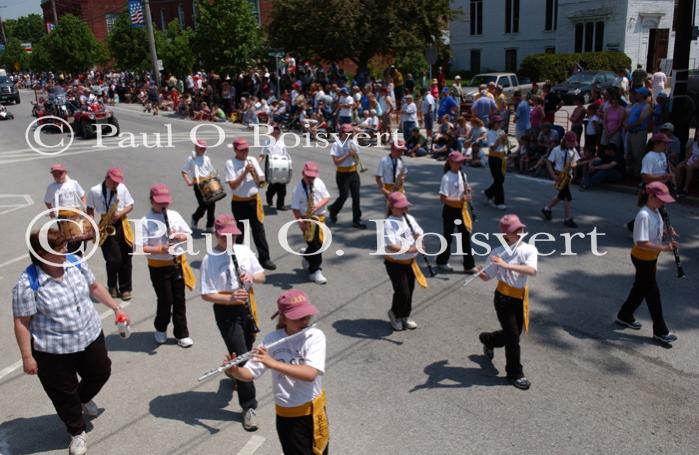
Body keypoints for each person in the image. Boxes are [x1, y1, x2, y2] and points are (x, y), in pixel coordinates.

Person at [13, 228, 130, 455]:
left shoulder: (74, 262)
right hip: (53, 350)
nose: (66, 249)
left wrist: (116, 308)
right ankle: (76, 432)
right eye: (60, 247)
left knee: (101, 371)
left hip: (89, 335)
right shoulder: (27, 284)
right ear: (42, 253)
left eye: (65, 245)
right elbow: (21, 322)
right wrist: (27, 356)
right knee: (63, 393)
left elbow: (94, 287)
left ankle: (81, 401)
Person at [224, 289, 329, 455]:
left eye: (307, 315)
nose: (305, 320)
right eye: (298, 317)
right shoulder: (272, 340)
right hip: (287, 414)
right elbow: (250, 373)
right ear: (284, 317)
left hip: (314, 410)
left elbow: (310, 374)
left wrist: (273, 363)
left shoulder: (314, 336)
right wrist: (235, 371)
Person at [200, 213, 266, 431]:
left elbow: (262, 276)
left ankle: (233, 372)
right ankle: (249, 407)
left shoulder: (244, 251)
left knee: (246, 349)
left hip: (248, 306)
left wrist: (251, 277)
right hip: (226, 311)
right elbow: (206, 294)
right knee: (244, 356)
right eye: (226, 237)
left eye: (234, 236)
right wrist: (229, 298)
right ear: (217, 235)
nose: (231, 240)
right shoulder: (210, 259)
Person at [477, 214, 538, 390]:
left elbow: (531, 271)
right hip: (503, 298)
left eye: (520, 229)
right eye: (514, 231)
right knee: (513, 338)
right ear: (505, 234)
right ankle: (515, 373)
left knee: (513, 334)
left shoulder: (528, 249)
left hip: (520, 297)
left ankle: (487, 339)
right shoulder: (497, 252)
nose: (519, 232)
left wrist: (506, 265)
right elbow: (488, 277)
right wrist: (480, 272)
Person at [616, 182, 679, 345]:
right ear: (651, 196)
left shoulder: (656, 211)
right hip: (642, 258)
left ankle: (624, 315)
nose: (663, 202)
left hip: (650, 257)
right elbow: (641, 242)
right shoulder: (643, 215)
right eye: (661, 199)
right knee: (653, 294)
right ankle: (660, 331)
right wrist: (665, 247)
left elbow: (653, 232)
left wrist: (666, 232)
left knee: (640, 289)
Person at [137, 183, 196, 347]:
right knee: (165, 299)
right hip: (158, 266)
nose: (164, 205)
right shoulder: (145, 221)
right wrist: (160, 249)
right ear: (151, 201)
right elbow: (141, 247)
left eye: (166, 202)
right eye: (159, 202)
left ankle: (182, 333)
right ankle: (161, 327)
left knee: (179, 299)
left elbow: (188, 234)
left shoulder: (174, 215)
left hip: (176, 262)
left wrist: (178, 236)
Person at [225, 138, 277, 270]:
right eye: (242, 150)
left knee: (259, 231)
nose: (245, 152)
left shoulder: (252, 160)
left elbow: (261, 182)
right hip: (239, 202)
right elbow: (232, 185)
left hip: (254, 201)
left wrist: (255, 175)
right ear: (236, 150)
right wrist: (244, 173)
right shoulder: (230, 163)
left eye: (246, 149)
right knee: (240, 232)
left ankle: (265, 258)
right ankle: (236, 258)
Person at [86, 167, 135, 300]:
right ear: (107, 178)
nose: (116, 184)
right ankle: (112, 286)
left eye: (118, 182)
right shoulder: (95, 191)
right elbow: (89, 209)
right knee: (114, 259)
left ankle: (125, 289)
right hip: (105, 223)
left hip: (121, 223)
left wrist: (120, 213)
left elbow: (130, 205)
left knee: (126, 257)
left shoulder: (122, 188)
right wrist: (92, 225)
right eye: (113, 182)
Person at [383, 192, 427, 331]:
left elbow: (419, 232)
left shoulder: (409, 218)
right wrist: (411, 249)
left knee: (410, 290)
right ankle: (395, 314)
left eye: (405, 207)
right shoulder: (388, 223)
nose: (404, 210)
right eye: (400, 207)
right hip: (395, 264)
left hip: (409, 262)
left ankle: (405, 316)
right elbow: (391, 245)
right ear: (391, 207)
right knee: (402, 292)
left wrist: (419, 239)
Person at [436, 151, 478, 274]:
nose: (460, 163)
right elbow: (443, 199)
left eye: (461, 161)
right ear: (450, 162)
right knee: (447, 237)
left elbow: (464, 188)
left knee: (465, 237)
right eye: (457, 161)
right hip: (450, 210)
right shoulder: (447, 177)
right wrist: (460, 199)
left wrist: (467, 190)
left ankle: (469, 265)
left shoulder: (463, 174)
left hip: (461, 210)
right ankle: (441, 261)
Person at [292, 162, 331, 285]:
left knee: (319, 244)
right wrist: (300, 222)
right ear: (303, 173)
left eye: (313, 177)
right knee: (316, 245)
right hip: (306, 218)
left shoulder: (319, 182)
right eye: (308, 177)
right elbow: (295, 208)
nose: (311, 179)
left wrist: (317, 206)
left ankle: (306, 255)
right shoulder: (298, 189)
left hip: (319, 217)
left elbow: (327, 197)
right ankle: (315, 271)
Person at [44, 163, 89, 255]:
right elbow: (47, 201)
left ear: (65, 172)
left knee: (82, 237)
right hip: (63, 216)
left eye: (60, 173)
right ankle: (73, 257)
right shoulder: (52, 187)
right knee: (70, 239)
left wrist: (84, 206)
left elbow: (82, 194)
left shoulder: (73, 183)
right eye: (55, 174)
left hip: (76, 214)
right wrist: (52, 211)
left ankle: (79, 255)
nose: (58, 176)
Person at [328, 123, 367, 229]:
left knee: (356, 197)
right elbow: (336, 162)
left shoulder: (352, 142)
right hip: (342, 173)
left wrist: (354, 154)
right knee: (344, 196)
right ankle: (333, 210)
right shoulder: (336, 145)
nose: (349, 134)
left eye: (351, 132)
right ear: (341, 132)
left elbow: (357, 154)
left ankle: (356, 220)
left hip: (353, 172)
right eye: (347, 132)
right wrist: (347, 155)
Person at [541, 132, 581, 228]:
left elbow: (575, 164)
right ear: (565, 141)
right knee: (567, 197)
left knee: (561, 196)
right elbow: (548, 162)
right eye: (570, 142)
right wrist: (554, 176)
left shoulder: (573, 150)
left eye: (573, 142)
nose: (573, 144)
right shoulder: (556, 150)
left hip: (567, 176)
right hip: (559, 175)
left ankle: (547, 208)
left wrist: (574, 168)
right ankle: (567, 219)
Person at [181, 139, 218, 233]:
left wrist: (215, 177)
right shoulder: (191, 159)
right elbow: (184, 171)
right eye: (201, 148)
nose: (202, 150)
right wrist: (188, 181)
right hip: (198, 184)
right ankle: (195, 217)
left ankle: (210, 225)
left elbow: (211, 170)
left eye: (204, 148)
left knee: (212, 205)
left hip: (209, 183)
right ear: (196, 147)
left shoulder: (207, 159)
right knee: (204, 204)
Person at [259, 125, 291, 210]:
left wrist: (289, 167)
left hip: (281, 166)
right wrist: (256, 164)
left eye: (278, 133)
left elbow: (286, 156)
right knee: (273, 186)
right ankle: (269, 195)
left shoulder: (282, 144)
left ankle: (280, 205)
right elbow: (262, 155)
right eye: (274, 132)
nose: (276, 134)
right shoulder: (267, 142)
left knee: (282, 187)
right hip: (270, 166)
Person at [624, 87, 652, 177]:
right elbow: (629, 117)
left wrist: (629, 126)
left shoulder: (647, 106)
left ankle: (638, 174)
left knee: (638, 154)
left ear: (642, 95)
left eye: (638, 93)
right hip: (631, 132)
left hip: (639, 133)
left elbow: (641, 120)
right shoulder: (635, 105)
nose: (635, 95)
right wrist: (626, 124)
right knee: (629, 153)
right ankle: (630, 172)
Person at [483, 115, 509, 209]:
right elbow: (492, 147)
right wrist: (499, 139)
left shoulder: (501, 132)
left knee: (501, 179)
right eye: (497, 123)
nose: (499, 124)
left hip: (501, 157)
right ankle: (499, 201)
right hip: (494, 157)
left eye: (500, 122)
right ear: (493, 124)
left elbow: (506, 144)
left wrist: (505, 139)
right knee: (498, 179)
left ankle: (488, 193)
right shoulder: (489, 133)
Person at [676, 130, 699, 196]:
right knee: (679, 166)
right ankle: (678, 187)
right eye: (697, 136)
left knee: (689, 167)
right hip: (691, 161)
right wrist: (685, 161)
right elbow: (688, 155)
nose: (697, 137)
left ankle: (685, 189)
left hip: (697, 162)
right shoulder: (694, 144)